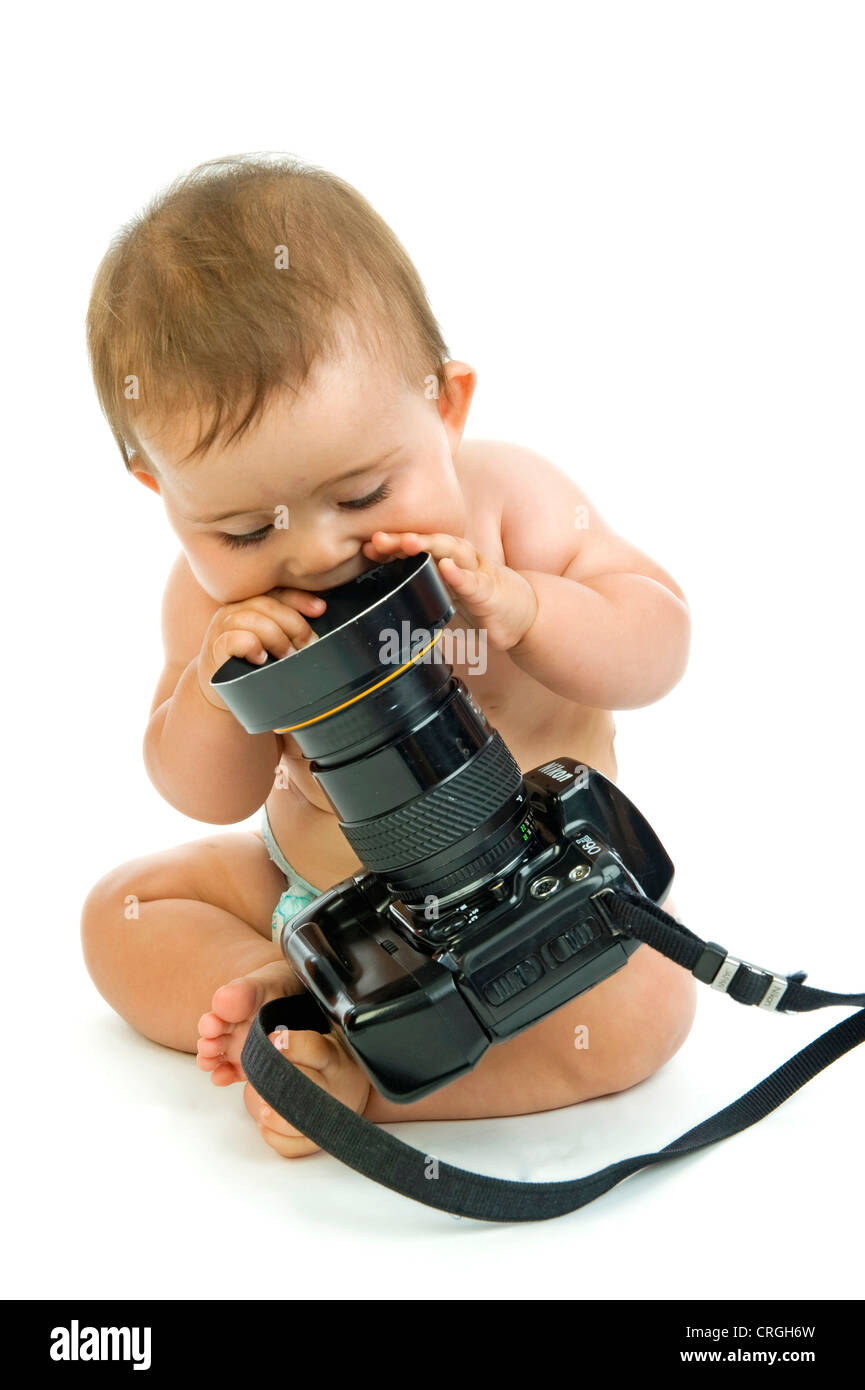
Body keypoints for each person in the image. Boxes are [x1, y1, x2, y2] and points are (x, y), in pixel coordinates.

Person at [81, 152, 696, 1158]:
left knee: (643, 1015)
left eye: (364, 496)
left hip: (525, 905)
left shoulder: (511, 503)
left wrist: (531, 607)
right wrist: (211, 688)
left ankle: (371, 1088)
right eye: (244, 530)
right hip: (322, 906)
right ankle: (296, 989)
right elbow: (200, 792)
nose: (319, 552)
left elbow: (659, 640)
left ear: (443, 408)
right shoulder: (207, 601)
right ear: (164, 495)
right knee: (123, 914)